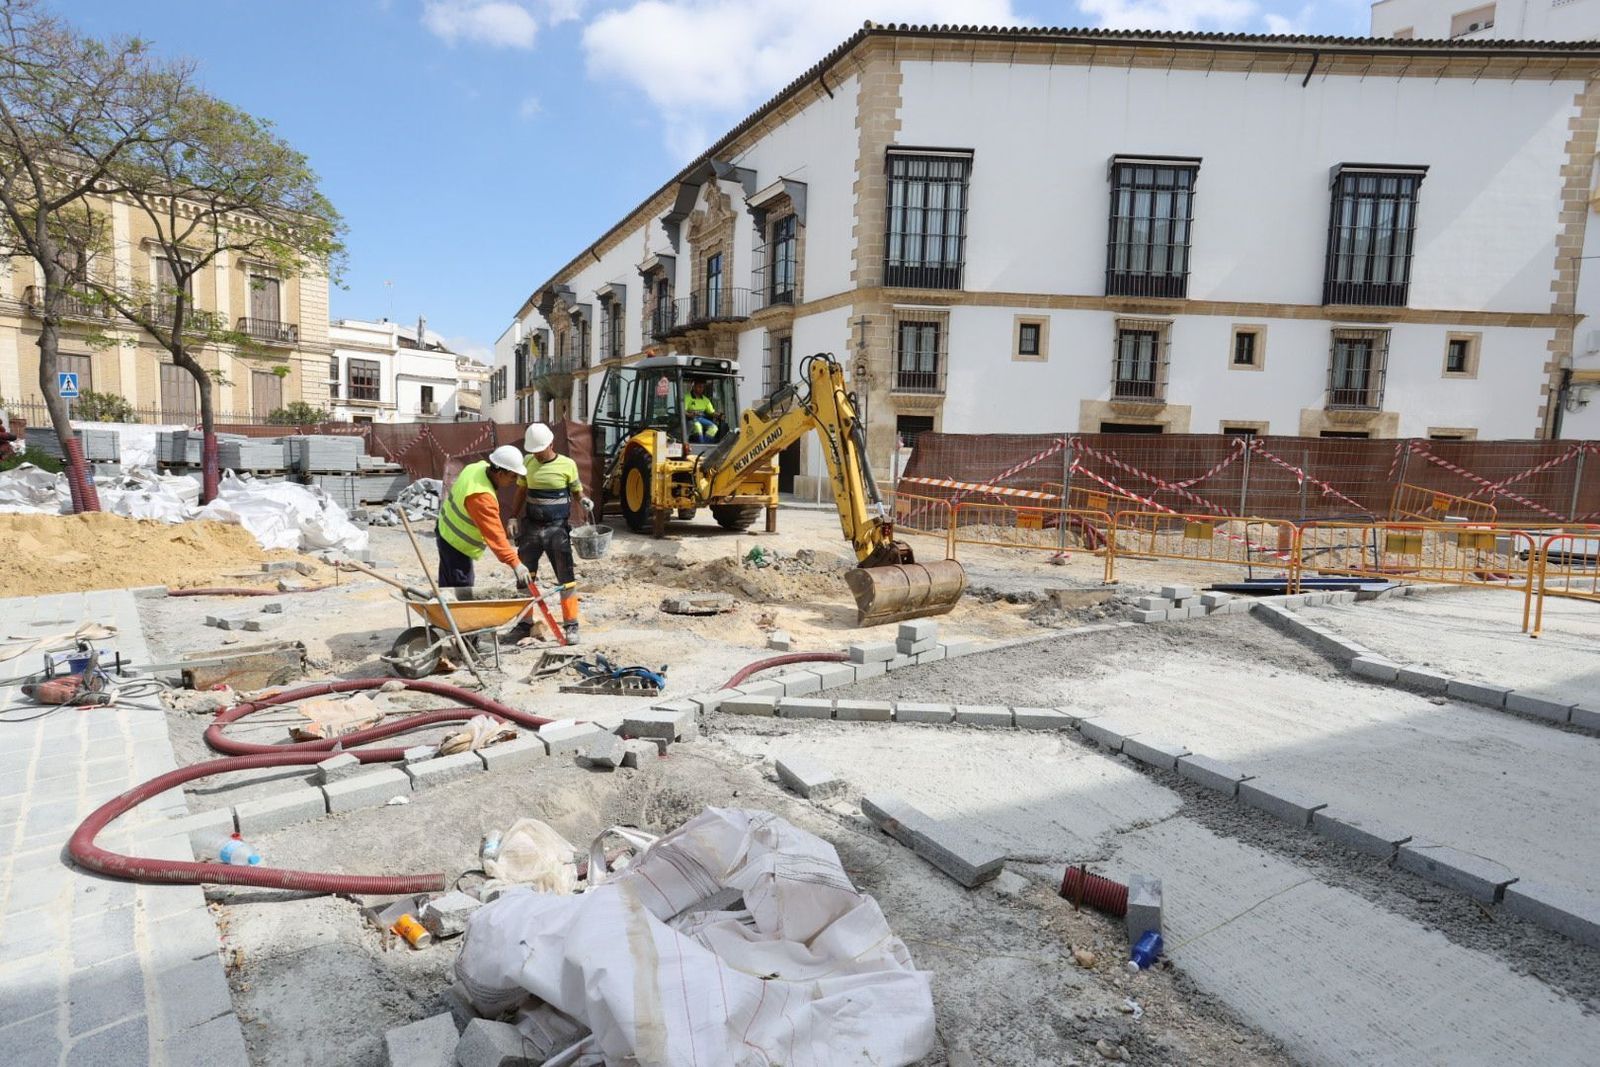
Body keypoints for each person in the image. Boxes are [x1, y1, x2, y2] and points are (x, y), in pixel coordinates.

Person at [510, 423, 591, 644]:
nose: (536, 454)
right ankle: (524, 624)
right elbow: (521, 490)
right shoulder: (528, 463)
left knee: (566, 578)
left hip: (557, 528)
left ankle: (571, 625)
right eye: (533, 451)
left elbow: (576, 490)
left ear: (551, 445)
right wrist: (512, 516)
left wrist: (583, 500)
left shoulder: (567, 465)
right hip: (532, 527)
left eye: (539, 450)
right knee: (525, 576)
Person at [434, 444, 530, 597]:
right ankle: (456, 620)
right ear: (499, 473)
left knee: (447, 589)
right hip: (456, 544)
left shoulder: (477, 468)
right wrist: (516, 564)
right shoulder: (481, 497)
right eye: (513, 476)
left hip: (445, 530)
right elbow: (495, 536)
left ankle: (442, 619)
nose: (515, 480)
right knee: (461, 590)